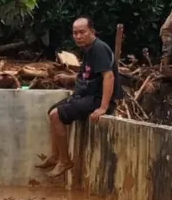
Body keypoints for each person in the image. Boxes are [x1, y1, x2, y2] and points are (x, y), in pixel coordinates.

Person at [38, 17, 123, 178]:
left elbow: (109, 76)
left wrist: (103, 107)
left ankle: (64, 161)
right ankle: (55, 155)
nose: (78, 36)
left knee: (56, 115)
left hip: (96, 99)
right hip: (85, 95)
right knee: (52, 111)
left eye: (82, 32)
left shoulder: (99, 49)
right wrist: (69, 78)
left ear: (92, 31)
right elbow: (89, 75)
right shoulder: (88, 50)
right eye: (75, 33)